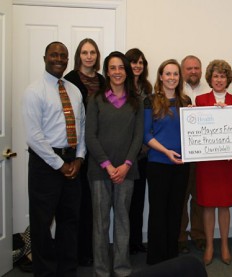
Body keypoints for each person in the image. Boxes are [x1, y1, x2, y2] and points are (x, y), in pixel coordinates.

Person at [23, 41, 86, 276]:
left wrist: (79, 159)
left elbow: (81, 126)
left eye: (63, 55)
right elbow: (33, 137)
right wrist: (60, 165)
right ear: (45, 58)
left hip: (73, 163)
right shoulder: (34, 91)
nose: (59, 59)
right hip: (45, 165)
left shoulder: (74, 91)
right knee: (42, 224)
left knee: (70, 222)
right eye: (54, 55)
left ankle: (67, 270)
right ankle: (45, 273)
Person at [85, 51, 144, 276]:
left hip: (127, 171)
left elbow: (137, 137)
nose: (117, 72)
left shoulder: (135, 100)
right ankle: (100, 271)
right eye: (113, 68)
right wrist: (108, 166)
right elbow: (90, 136)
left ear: (126, 71)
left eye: (121, 67)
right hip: (100, 172)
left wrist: (126, 164)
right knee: (100, 224)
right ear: (107, 71)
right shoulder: (95, 99)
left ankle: (122, 269)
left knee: (122, 221)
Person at [145, 59, 192, 264]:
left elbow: (195, 130)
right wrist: (166, 152)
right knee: (158, 211)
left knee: (175, 211)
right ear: (161, 77)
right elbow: (146, 134)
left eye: (175, 74)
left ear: (179, 78)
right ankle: (156, 259)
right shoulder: (150, 100)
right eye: (168, 74)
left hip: (182, 165)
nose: (172, 77)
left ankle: (171, 256)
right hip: (158, 163)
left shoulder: (186, 100)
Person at [195, 60, 232, 266]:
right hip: (207, 162)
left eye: (222, 76)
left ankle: (224, 245)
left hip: (228, 163)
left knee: (224, 205)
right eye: (215, 76)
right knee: (207, 204)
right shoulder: (200, 100)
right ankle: (210, 245)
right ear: (210, 79)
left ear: (228, 79)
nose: (219, 80)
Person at [64, 38, 105, 267]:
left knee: (93, 203)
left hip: (98, 147)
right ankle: (76, 252)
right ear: (79, 55)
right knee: (76, 202)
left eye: (92, 52)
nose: (89, 56)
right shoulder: (69, 80)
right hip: (77, 147)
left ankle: (90, 251)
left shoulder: (102, 80)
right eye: (84, 52)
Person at [178, 55, 208, 254]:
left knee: (199, 197)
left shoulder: (210, 91)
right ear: (182, 71)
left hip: (203, 153)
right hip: (180, 153)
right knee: (181, 196)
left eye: (196, 68)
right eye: (189, 68)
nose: (193, 71)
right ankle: (180, 236)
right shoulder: (175, 90)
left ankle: (198, 234)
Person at [125, 48, 153, 255]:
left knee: (137, 201)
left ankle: (135, 241)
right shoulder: (120, 87)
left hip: (143, 155)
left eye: (141, 63)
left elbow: (149, 120)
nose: (137, 66)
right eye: (133, 62)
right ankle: (122, 243)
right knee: (123, 201)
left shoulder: (147, 87)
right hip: (124, 154)